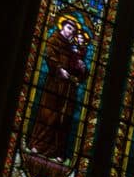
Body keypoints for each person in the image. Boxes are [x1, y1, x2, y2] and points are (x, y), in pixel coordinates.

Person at [26, 15, 89, 159]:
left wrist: (82, 68)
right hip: (54, 85)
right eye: (69, 28)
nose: (70, 32)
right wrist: (59, 69)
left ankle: (57, 151)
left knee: (63, 119)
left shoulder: (72, 48)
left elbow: (80, 70)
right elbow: (50, 55)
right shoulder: (54, 39)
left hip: (68, 89)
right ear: (62, 26)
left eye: (73, 31)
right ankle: (37, 145)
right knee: (48, 114)